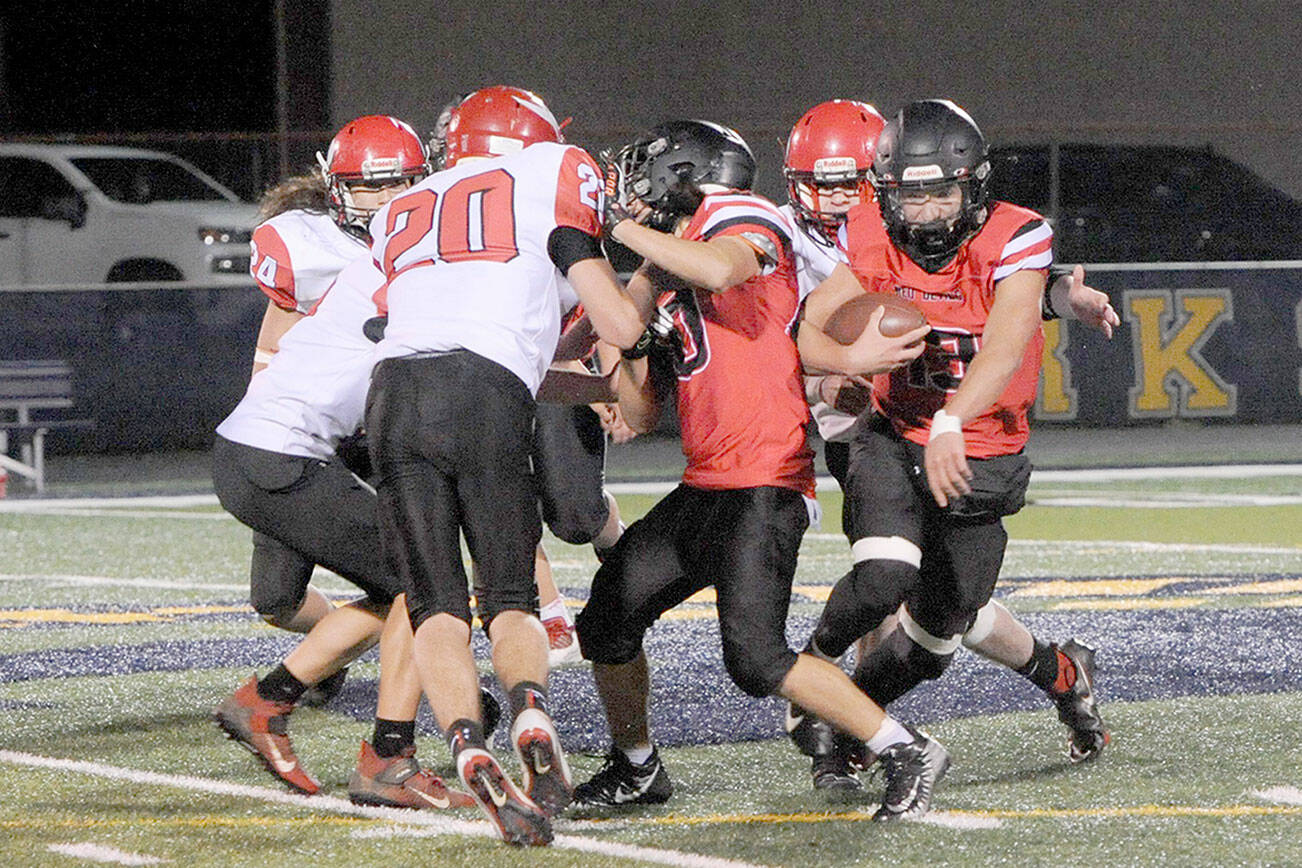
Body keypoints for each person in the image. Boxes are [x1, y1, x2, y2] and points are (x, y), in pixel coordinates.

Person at [570, 118, 950, 823]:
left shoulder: (739, 215)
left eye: (643, 171)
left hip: (765, 480)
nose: (630, 189)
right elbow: (639, 412)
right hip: (706, 482)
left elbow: (720, 269)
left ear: (685, 170)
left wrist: (618, 234)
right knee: (607, 620)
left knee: (756, 660)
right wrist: (632, 344)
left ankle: (904, 746)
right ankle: (635, 766)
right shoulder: (666, 261)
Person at [781, 100, 1119, 791]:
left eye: (943, 192)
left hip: (979, 446)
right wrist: (839, 369)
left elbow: (1003, 345)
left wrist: (952, 420)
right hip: (890, 428)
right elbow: (800, 327)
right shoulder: (862, 230)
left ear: (976, 186)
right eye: (911, 194)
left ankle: (1058, 674)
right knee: (883, 573)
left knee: (939, 631)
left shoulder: (1016, 237)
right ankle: (813, 684)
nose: (928, 212)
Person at [364, 85, 653, 846]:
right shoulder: (554, 169)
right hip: (485, 390)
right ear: (534, 138)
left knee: (434, 604)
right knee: (511, 594)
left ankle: (464, 742)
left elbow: (424, 320)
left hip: (391, 396)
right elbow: (598, 315)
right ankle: (527, 706)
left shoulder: (400, 208)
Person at [212, 116, 485, 810]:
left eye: (399, 185)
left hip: (269, 449)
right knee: (424, 586)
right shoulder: (407, 256)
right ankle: (372, 753)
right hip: (284, 450)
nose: (385, 199)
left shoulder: (403, 253)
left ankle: (280, 704)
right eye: (370, 186)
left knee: (411, 584)